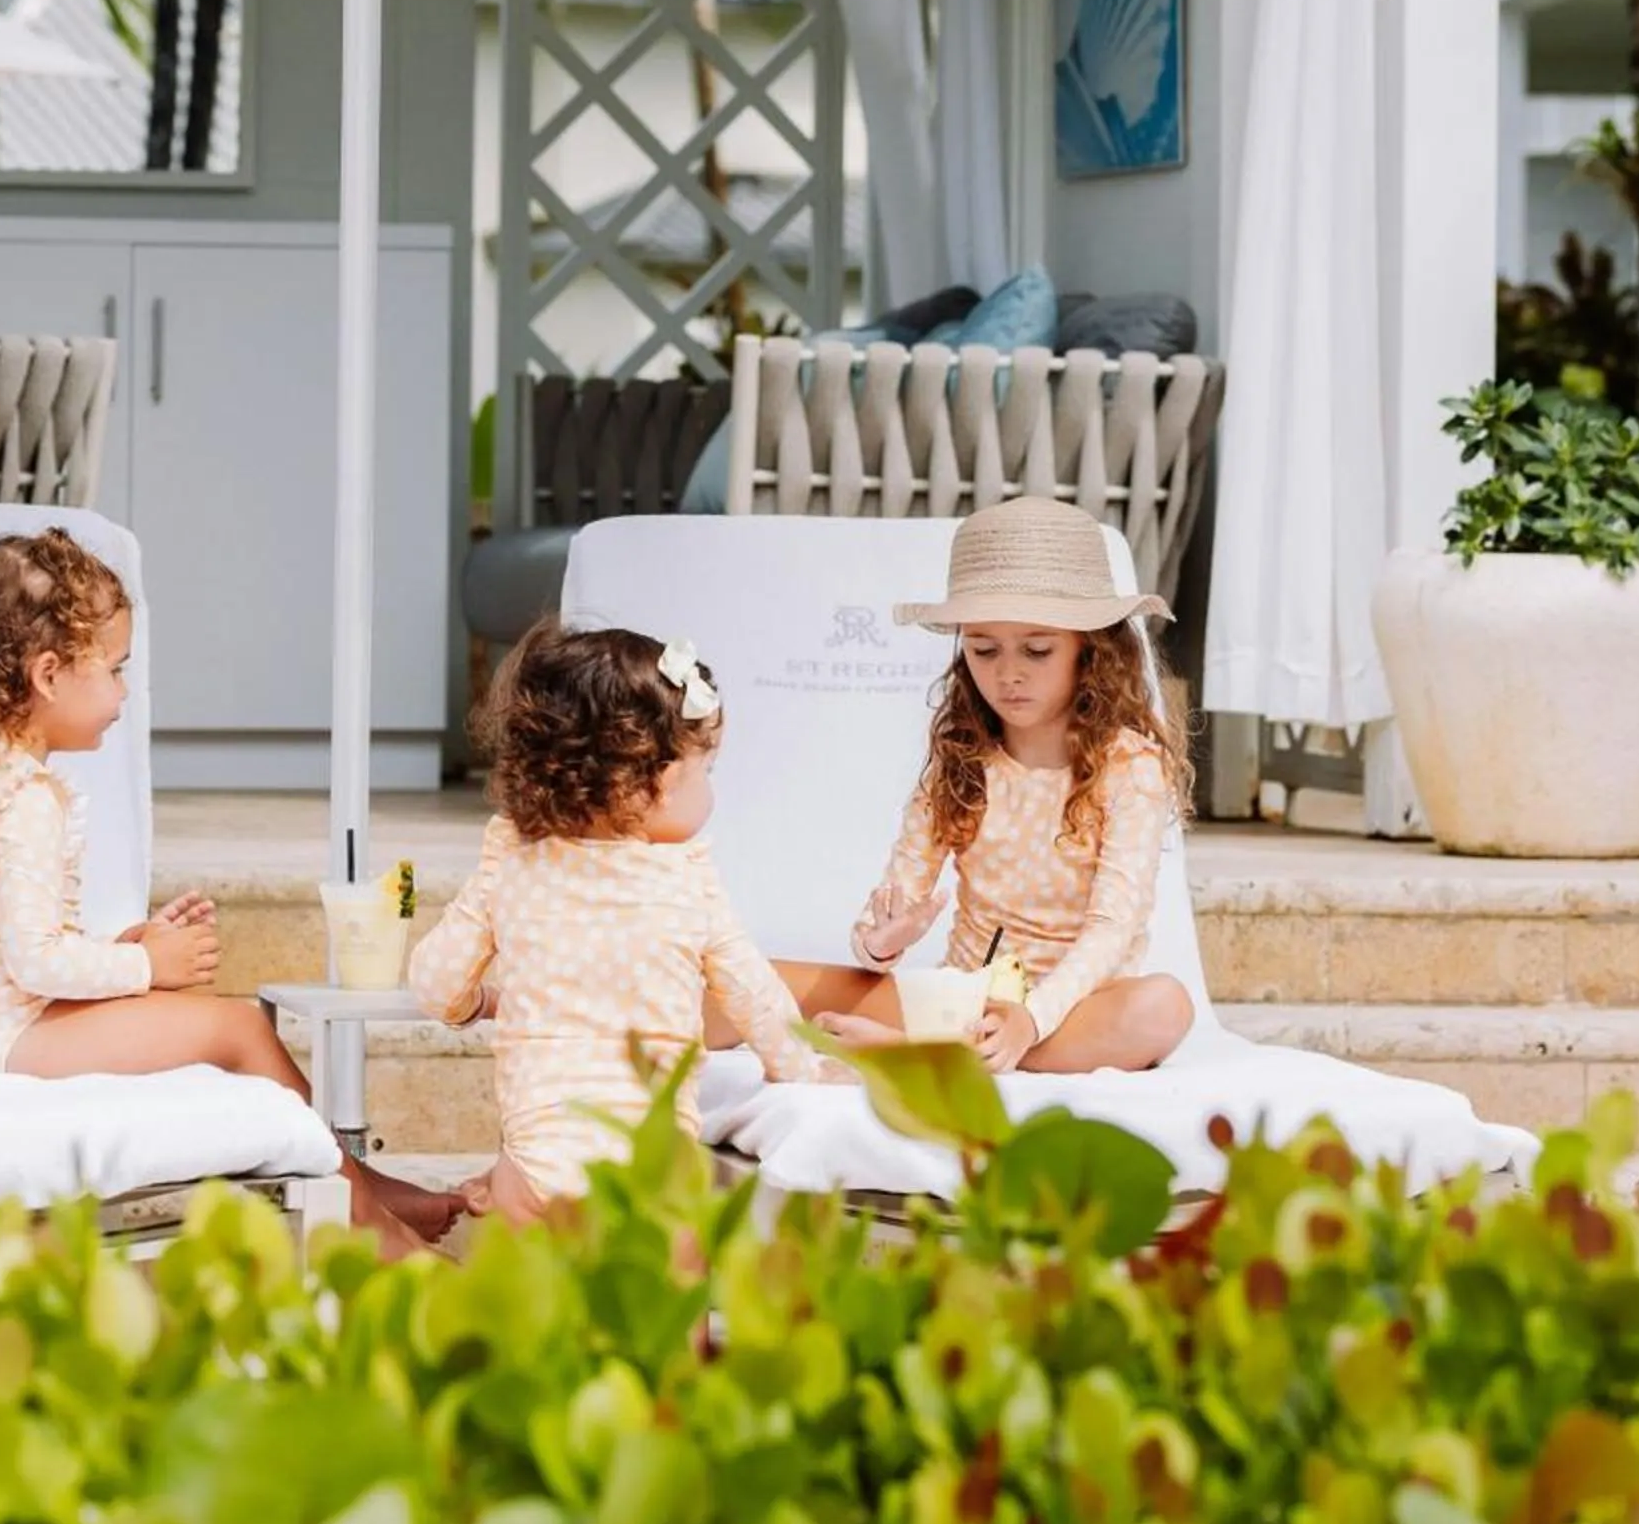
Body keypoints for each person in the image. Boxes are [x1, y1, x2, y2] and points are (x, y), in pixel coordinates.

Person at [0, 527, 451, 1253]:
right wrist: (148, 967)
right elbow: (33, 962)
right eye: (116, 670)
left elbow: (11, 944)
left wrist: (124, 951)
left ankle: (355, 1184)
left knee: (199, 1018)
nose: (126, 692)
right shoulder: (25, 797)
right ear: (48, 675)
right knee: (240, 1028)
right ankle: (366, 1213)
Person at [408, 619, 839, 1224]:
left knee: (539, 1316)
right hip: (657, 1168)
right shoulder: (688, 880)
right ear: (654, 785)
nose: (710, 794)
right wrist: (804, 1071)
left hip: (538, 1169)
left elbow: (433, 984)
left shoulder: (512, 860)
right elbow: (759, 1003)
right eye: (705, 774)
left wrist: (478, 1003)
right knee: (672, 1313)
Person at [800, 499, 1195, 1077]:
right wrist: (882, 942)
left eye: (1037, 650)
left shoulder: (1130, 766)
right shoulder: (961, 761)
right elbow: (887, 913)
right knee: (762, 980)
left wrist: (1029, 1018)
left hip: (1072, 1010)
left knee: (1163, 1008)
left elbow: (1114, 926)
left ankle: (920, 1055)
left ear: (1093, 649)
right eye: (984, 649)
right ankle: (957, 1046)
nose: (1008, 673)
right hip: (958, 1002)